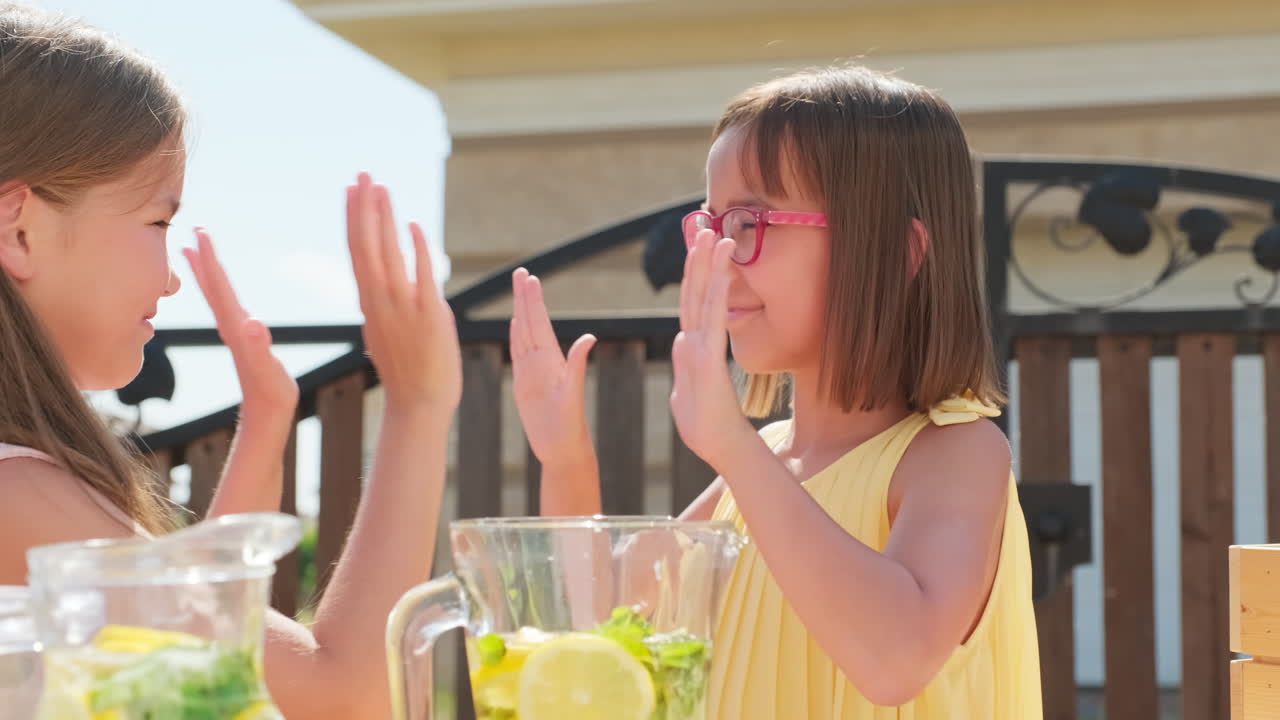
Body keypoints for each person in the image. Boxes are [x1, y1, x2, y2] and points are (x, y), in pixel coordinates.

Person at [510, 65, 1043, 718]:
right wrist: (566, 460)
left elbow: (896, 657)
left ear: (900, 252)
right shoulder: (757, 470)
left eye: (747, 225)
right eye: (709, 226)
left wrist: (732, 447)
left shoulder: (957, 455)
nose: (715, 257)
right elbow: (597, 624)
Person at [0, 5, 461, 718]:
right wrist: (417, 405)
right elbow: (341, 698)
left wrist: (265, 429)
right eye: (158, 220)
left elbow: (196, 679)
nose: (170, 274)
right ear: (19, 228)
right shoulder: (19, 496)